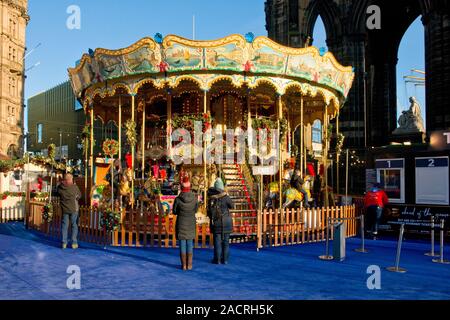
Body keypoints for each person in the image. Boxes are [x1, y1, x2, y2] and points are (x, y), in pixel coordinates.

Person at [173, 176, 198, 271]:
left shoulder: (178, 199)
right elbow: (195, 210)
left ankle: (183, 265)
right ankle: (190, 264)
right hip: (191, 222)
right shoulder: (194, 199)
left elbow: (174, 211)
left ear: (182, 188)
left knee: (182, 243)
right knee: (190, 243)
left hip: (181, 222)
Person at [207, 178, 233, 264]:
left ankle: (217, 259)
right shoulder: (226, 197)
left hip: (216, 222)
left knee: (217, 242)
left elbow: (209, 211)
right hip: (226, 221)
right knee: (226, 242)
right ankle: (225, 260)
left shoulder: (211, 198)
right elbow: (232, 206)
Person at [57, 173, 82, 249]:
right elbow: (79, 196)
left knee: (65, 226)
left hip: (65, 209)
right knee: (74, 225)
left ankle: (64, 242)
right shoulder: (74, 187)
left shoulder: (60, 187)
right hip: (74, 209)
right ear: (70, 179)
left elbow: (57, 193)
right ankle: (74, 242)